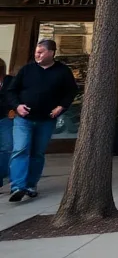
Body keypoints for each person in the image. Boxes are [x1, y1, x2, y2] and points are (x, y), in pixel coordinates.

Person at [8, 39, 78, 202]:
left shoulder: (62, 71)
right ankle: (17, 186)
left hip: (46, 120)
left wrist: (61, 106)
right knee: (20, 149)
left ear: (51, 52)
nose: (37, 55)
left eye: (41, 52)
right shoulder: (27, 70)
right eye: (36, 52)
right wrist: (17, 106)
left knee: (37, 153)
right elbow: (12, 91)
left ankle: (31, 185)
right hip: (23, 119)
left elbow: (71, 91)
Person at [0, 59, 15, 191]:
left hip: (6, 117)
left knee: (7, 146)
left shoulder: (9, 81)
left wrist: (13, 108)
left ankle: (6, 176)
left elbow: (13, 96)